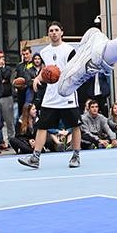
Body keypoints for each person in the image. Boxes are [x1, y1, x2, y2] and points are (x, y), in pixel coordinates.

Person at [18, 22, 83, 170]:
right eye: (51, 31)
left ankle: (76, 155)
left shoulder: (69, 50)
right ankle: (35, 158)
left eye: (56, 30)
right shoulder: (45, 52)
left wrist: (64, 75)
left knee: (75, 126)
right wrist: (37, 78)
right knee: (42, 126)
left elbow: (76, 69)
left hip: (67, 94)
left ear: (62, 33)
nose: (53, 33)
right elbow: (46, 70)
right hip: (50, 96)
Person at [0, 51, 15, 136]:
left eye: (2, 57)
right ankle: (0, 140)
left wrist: (2, 67)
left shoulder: (8, 68)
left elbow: (6, 76)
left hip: (6, 96)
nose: (1, 59)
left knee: (9, 120)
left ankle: (11, 139)